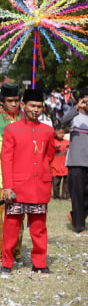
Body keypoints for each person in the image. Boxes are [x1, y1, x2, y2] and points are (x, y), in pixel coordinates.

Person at [0, 89, 55, 274]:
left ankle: (39, 263)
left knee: (39, 227)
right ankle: (7, 262)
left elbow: (49, 156)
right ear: (23, 106)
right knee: (11, 226)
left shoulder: (48, 131)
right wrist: (7, 186)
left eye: (39, 106)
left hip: (39, 187)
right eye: (32, 105)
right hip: (16, 187)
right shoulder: (11, 129)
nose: (35, 110)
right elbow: (6, 160)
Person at [0, 83, 25, 262]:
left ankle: (17, 253)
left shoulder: (26, 122)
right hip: (3, 178)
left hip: (24, 177)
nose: (14, 104)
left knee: (20, 218)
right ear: (2, 102)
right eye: (10, 101)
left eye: (17, 101)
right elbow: (2, 148)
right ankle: (6, 254)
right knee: (4, 219)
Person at [61, 88, 88, 235]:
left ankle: (76, 215)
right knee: (77, 195)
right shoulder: (75, 117)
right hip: (76, 161)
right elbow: (62, 121)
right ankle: (79, 226)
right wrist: (77, 107)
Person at [51, 126, 69, 200]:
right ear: (55, 133)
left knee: (67, 182)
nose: (61, 134)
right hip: (55, 166)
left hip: (65, 166)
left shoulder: (67, 142)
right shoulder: (52, 142)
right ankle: (56, 196)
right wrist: (54, 148)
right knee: (56, 183)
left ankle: (68, 196)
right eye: (59, 133)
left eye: (63, 133)